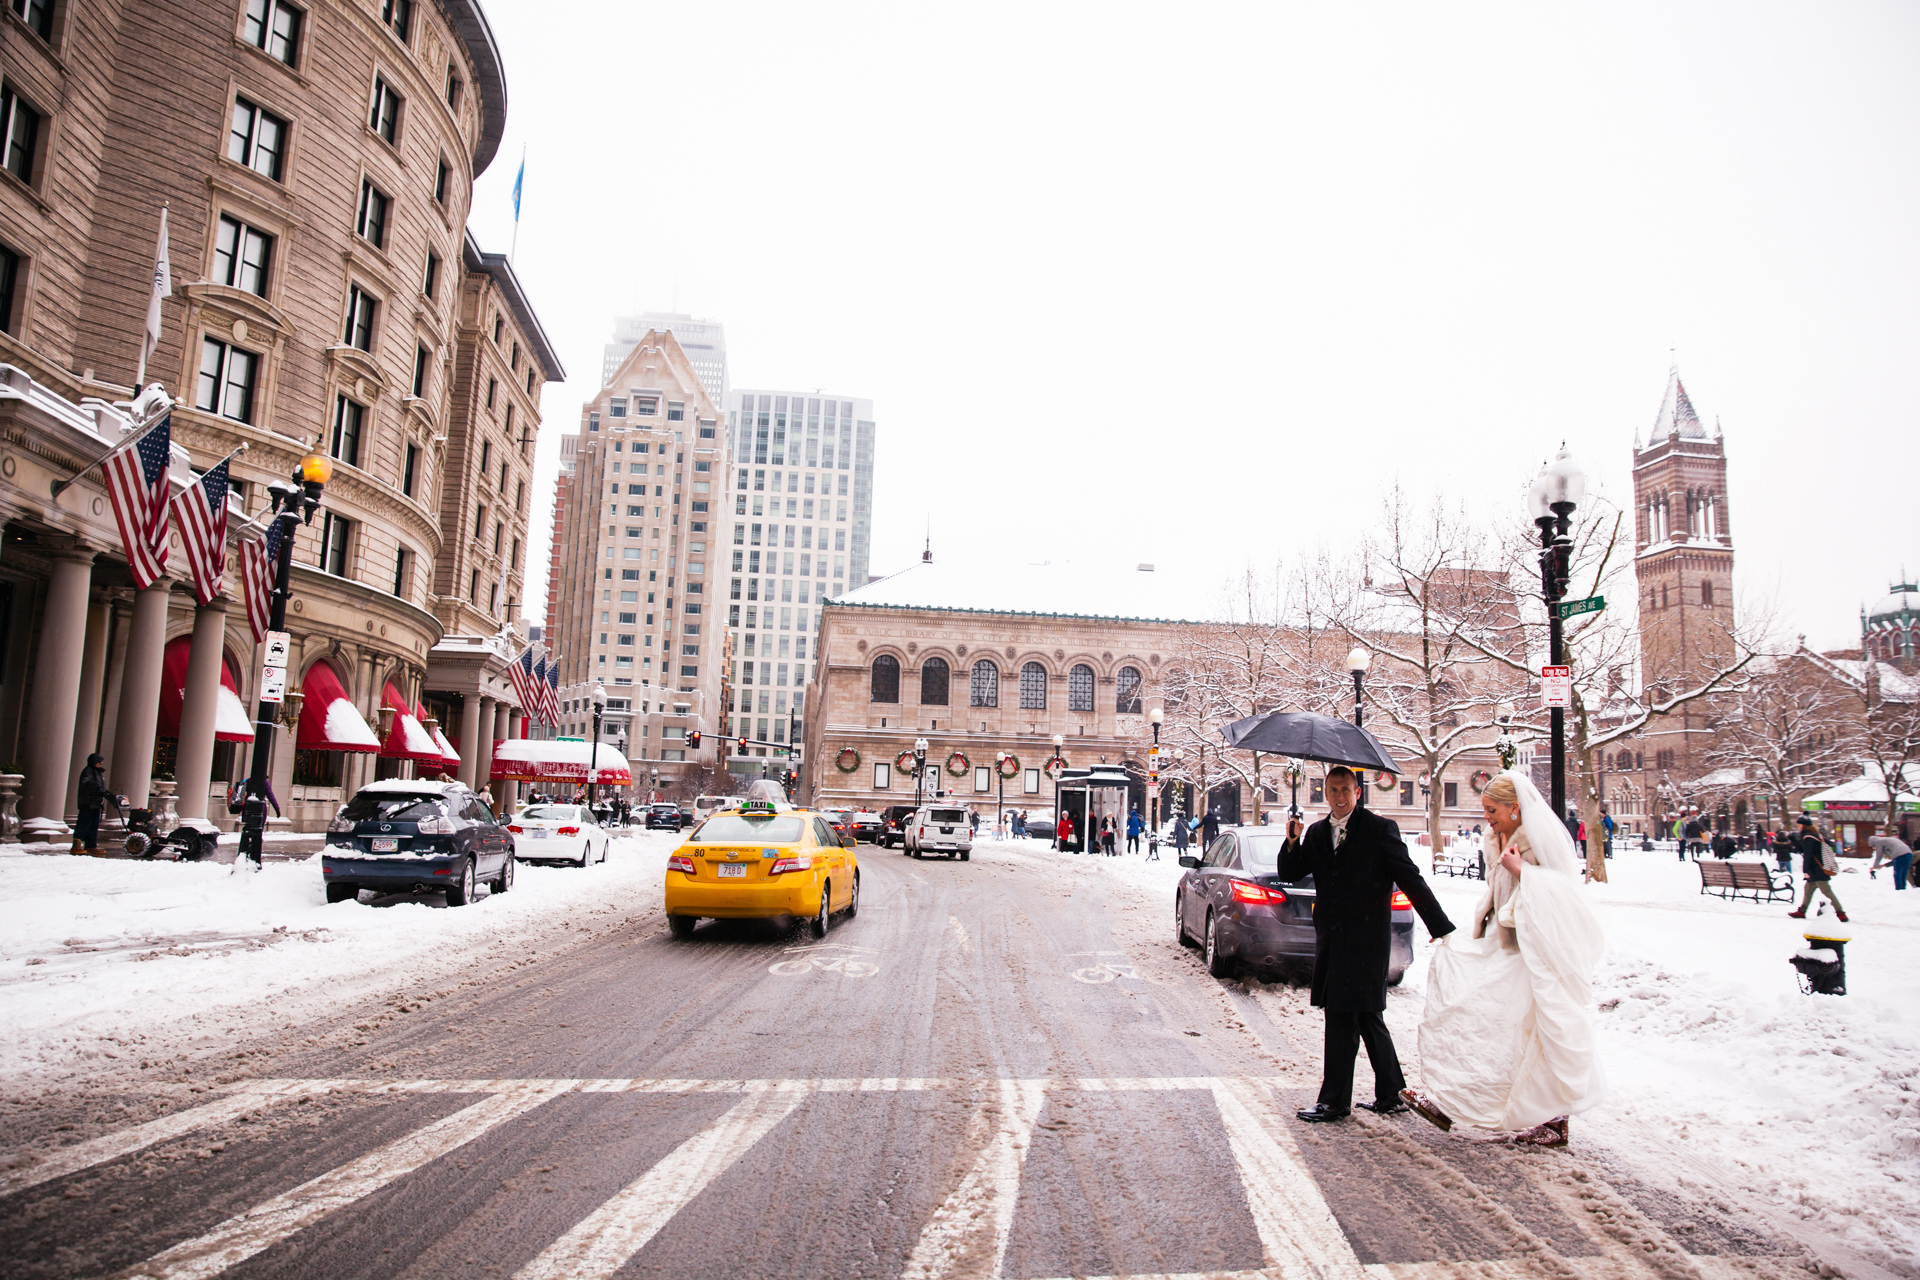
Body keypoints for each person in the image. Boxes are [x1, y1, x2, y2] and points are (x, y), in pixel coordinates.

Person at [1401, 771, 1606, 1148]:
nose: (1487, 817)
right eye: (1485, 810)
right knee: (1484, 1022)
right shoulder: (1496, 839)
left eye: (1492, 810)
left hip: (1530, 952)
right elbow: (1497, 896)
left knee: (1521, 1032)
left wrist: (1523, 871)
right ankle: (1455, 1101)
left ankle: (1539, 1116)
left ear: (1515, 808)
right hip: (1501, 941)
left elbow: (1564, 892)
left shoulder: (1535, 842)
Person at [1281, 766, 1455, 1124]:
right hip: (1332, 939)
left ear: (1357, 792)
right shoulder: (1316, 833)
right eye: (1333, 790)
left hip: (1365, 940)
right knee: (1365, 1014)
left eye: (1346, 790)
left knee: (1343, 1015)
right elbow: (1290, 871)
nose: (1340, 797)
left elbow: (1410, 877)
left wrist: (1438, 924)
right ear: (1324, 793)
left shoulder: (1379, 830)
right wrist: (1293, 839)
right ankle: (1391, 1093)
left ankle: (1334, 1101)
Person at [1787, 816, 1847, 921]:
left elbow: (1808, 854)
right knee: (1808, 889)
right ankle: (1802, 911)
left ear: (1804, 825)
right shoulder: (1815, 835)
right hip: (1817, 869)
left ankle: (1840, 912)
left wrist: (1805, 870)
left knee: (1827, 892)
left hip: (1817, 870)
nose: (1798, 826)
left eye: (1799, 824)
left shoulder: (1809, 838)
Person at [72, 753, 113, 856]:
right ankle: (76, 845)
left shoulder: (97, 772)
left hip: (96, 802)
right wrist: (99, 789)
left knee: (93, 825)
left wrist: (106, 793)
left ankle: (91, 845)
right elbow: (87, 783)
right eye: (99, 761)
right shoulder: (88, 771)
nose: (101, 763)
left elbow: (98, 786)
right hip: (88, 802)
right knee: (84, 823)